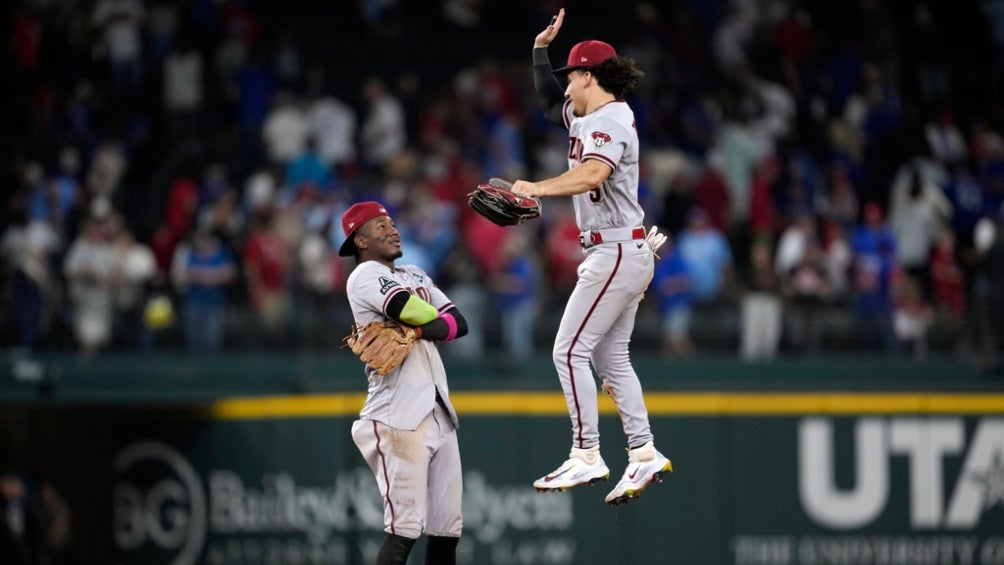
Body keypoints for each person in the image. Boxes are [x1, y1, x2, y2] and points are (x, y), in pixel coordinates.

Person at [511, 8, 673, 506]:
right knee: (610, 357)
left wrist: (535, 188)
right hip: (620, 248)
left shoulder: (611, 119)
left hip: (615, 251)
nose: (564, 88)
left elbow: (591, 175)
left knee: (569, 350)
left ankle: (587, 453)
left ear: (588, 76)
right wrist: (541, 52)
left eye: (569, 77)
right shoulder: (589, 116)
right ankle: (643, 451)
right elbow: (545, 105)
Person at [339, 201, 469, 564]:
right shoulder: (363, 276)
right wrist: (428, 324)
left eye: (392, 223)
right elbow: (408, 308)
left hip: (439, 412)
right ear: (360, 240)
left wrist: (417, 330)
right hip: (397, 414)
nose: (392, 229)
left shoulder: (415, 273)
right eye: (380, 226)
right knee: (405, 528)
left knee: (447, 529)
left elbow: (460, 324)